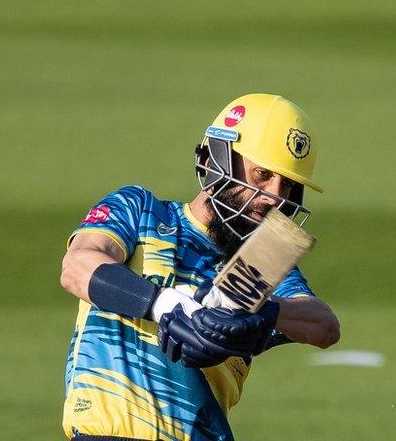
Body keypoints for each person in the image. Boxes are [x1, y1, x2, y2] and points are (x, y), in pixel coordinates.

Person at [59, 93, 340, 441]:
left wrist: (264, 315)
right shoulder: (141, 210)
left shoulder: (260, 260)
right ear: (220, 159)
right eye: (262, 174)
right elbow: (77, 266)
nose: (272, 196)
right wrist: (165, 306)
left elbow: (324, 327)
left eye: (288, 185)